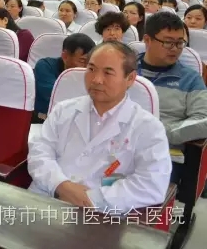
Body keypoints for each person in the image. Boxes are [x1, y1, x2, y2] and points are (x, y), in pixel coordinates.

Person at [28, 41, 172, 212]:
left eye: (108, 72)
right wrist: (61, 185)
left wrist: (91, 198)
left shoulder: (148, 128)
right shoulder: (63, 110)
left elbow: (151, 184)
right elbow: (39, 152)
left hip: (101, 215)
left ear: (130, 78)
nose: (96, 79)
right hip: (44, 200)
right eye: (91, 69)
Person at [137, 12, 207, 148]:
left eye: (179, 43)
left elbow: (203, 120)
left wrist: (159, 132)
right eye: (168, 42)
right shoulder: (124, 71)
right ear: (147, 40)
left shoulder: (190, 79)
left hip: (166, 151)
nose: (175, 49)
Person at [32, 33, 96, 123]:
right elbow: (56, 95)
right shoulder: (45, 66)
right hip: (44, 120)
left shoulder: (93, 71)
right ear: (65, 56)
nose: (86, 67)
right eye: (82, 61)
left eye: (90, 62)